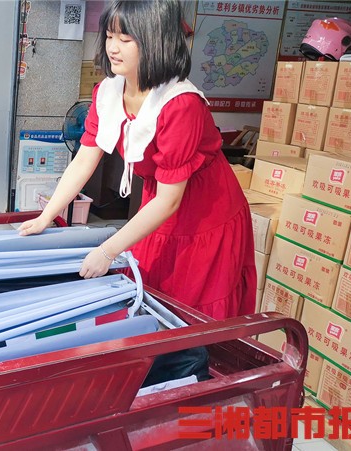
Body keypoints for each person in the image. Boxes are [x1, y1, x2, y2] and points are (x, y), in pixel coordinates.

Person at [19, 0, 256, 320]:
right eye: (109, 36)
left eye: (126, 39)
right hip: (158, 199)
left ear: (156, 40)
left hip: (205, 210)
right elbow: (85, 157)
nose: (113, 48)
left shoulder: (180, 104)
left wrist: (107, 251)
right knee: (147, 290)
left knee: (190, 306)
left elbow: (171, 201)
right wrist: (46, 216)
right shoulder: (108, 91)